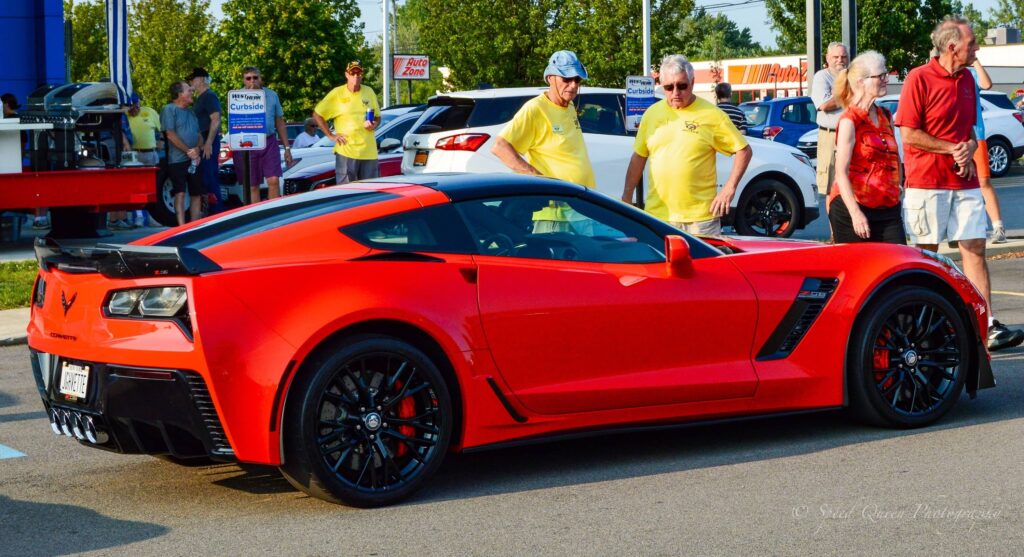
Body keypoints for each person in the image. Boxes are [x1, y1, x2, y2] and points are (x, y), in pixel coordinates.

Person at [896, 16, 1023, 352]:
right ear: (952, 47)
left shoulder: (967, 78)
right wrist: (950, 148)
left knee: (975, 249)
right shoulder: (918, 78)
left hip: (963, 183)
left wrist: (967, 146)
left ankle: (987, 323)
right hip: (927, 183)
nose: (977, 47)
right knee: (927, 256)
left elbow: (968, 128)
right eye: (972, 43)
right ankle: (921, 329)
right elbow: (908, 133)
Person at [621, 54, 752, 236]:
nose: (676, 92)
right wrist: (626, 198)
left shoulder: (712, 115)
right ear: (662, 85)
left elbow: (744, 150)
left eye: (682, 85)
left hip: (701, 219)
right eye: (669, 87)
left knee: (702, 266)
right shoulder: (651, 114)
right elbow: (639, 157)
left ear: (692, 82)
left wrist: (729, 188)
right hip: (659, 216)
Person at [492, 50, 595, 232]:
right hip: (554, 217)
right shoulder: (535, 109)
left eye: (577, 80)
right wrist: (541, 182)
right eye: (566, 79)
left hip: (580, 211)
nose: (573, 85)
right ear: (550, 78)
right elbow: (500, 146)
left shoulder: (569, 106)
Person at [828, 51, 904, 244]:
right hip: (853, 207)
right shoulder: (849, 120)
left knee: (899, 264)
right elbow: (841, 173)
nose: (886, 79)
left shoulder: (885, 115)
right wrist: (855, 213)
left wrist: (899, 186)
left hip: (888, 207)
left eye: (885, 75)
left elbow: (894, 158)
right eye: (881, 76)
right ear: (861, 81)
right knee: (859, 270)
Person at [313, 61, 380, 184]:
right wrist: (330, 135)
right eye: (353, 72)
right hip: (347, 151)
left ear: (362, 75)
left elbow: (377, 117)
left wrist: (374, 124)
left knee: (370, 193)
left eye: (359, 73)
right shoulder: (337, 93)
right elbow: (317, 114)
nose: (356, 76)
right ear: (347, 75)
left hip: (369, 152)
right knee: (348, 192)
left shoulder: (369, 91)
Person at [233, 66, 292, 203]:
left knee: (274, 179)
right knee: (252, 185)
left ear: (261, 79)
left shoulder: (272, 95)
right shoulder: (237, 96)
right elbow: (234, 123)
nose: (252, 81)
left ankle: (272, 213)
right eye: (248, 78)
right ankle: (257, 217)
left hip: (269, 140)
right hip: (248, 143)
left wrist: (287, 148)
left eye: (255, 77)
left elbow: (279, 122)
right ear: (244, 81)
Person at [967, 59, 1007, 243]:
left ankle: (998, 227)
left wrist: (975, 62)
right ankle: (963, 231)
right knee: (957, 185)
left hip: (977, 135)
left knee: (983, 181)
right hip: (952, 138)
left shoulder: (971, 73)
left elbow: (986, 84)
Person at [4, 93, 50, 229]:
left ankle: (37, 216)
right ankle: (37, 217)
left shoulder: (13, 120)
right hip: (17, 159)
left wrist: (20, 155)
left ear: (6, 104)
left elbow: (22, 142)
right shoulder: (18, 118)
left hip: (14, 161)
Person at [161, 80, 203, 226]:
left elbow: (199, 135)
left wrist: (197, 149)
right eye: (188, 90)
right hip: (177, 160)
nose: (192, 92)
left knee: (196, 193)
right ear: (179, 94)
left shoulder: (191, 113)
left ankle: (195, 226)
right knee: (180, 192)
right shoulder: (169, 109)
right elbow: (170, 134)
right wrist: (188, 151)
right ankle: (181, 227)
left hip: (194, 160)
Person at [811, 42, 850, 197]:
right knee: (831, 188)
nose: (840, 60)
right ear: (828, 58)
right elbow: (825, 105)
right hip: (830, 135)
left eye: (843, 56)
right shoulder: (822, 76)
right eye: (836, 57)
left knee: (852, 184)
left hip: (852, 135)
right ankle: (833, 222)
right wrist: (849, 94)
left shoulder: (853, 76)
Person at [188, 67, 224, 214]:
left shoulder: (209, 96)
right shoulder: (201, 98)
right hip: (203, 141)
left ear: (201, 79)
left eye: (192, 79)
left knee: (210, 178)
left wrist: (208, 142)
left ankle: (217, 214)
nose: (190, 82)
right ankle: (211, 212)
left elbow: (215, 119)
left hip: (209, 141)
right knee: (204, 179)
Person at [125, 92, 160, 227]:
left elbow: (161, 130)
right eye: (133, 104)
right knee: (136, 187)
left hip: (150, 154)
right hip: (134, 154)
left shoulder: (149, 112)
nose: (136, 107)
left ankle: (153, 216)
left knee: (152, 187)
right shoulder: (123, 116)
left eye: (137, 103)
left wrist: (159, 141)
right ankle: (138, 216)